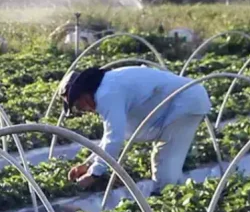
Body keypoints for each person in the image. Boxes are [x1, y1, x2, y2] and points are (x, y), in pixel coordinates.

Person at [63, 65, 212, 192]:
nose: (83, 110)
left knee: (165, 165)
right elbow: (109, 137)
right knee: (167, 163)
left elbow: (114, 138)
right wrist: (88, 164)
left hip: (185, 102)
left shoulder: (106, 94)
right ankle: (174, 197)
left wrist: (94, 174)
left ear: (84, 94)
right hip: (181, 103)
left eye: (78, 105)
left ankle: (167, 206)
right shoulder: (108, 85)